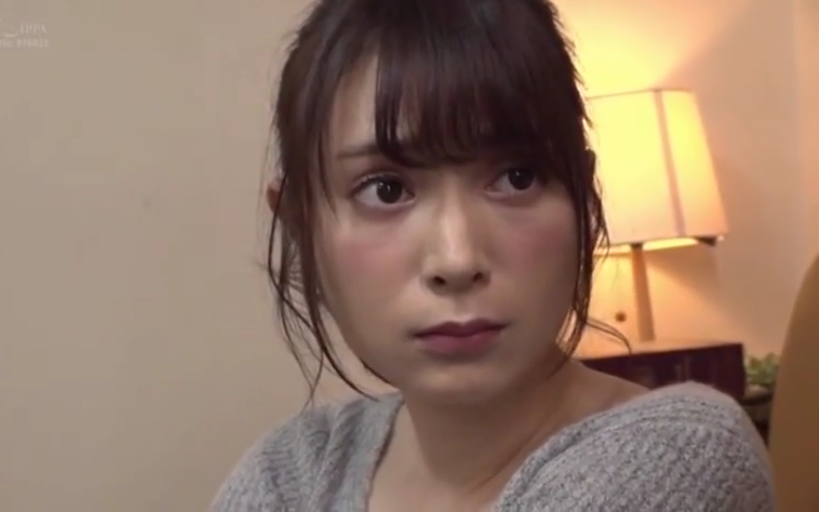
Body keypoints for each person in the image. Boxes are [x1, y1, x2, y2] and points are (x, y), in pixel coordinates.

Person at [211, 0, 774, 510]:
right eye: (386, 189)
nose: (457, 260)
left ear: (584, 197)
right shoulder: (290, 474)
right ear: (300, 228)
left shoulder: (675, 455)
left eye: (517, 178)